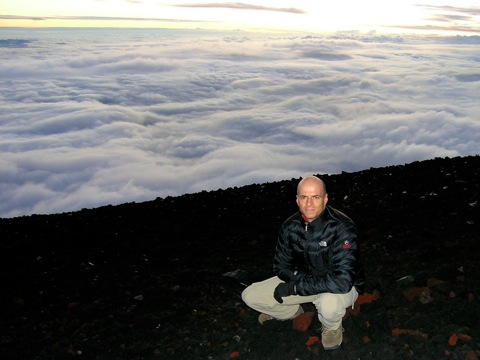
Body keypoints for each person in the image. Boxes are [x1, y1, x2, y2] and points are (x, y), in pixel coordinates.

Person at [242, 176, 365, 350]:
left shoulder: (342, 227)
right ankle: (293, 312)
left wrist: (295, 288)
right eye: (304, 197)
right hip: (306, 280)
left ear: (325, 199)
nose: (309, 203)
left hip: (340, 287)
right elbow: (280, 265)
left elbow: (343, 281)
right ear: (297, 200)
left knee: (328, 304)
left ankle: (331, 327)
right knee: (251, 296)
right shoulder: (290, 226)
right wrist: (298, 279)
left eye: (315, 197)